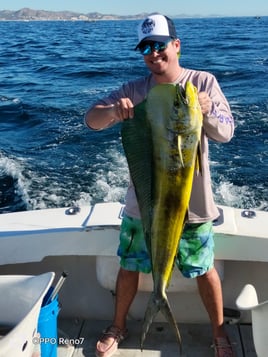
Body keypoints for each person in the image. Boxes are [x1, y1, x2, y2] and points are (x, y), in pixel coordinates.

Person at [85, 14, 235, 357]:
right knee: (129, 265)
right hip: (145, 202)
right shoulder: (134, 90)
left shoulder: (202, 82)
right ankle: (118, 325)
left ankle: (219, 333)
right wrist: (112, 111)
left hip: (193, 207)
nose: (153, 53)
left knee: (204, 268)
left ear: (176, 45)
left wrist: (208, 110)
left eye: (160, 45)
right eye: (146, 48)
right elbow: (91, 119)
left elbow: (226, 132)